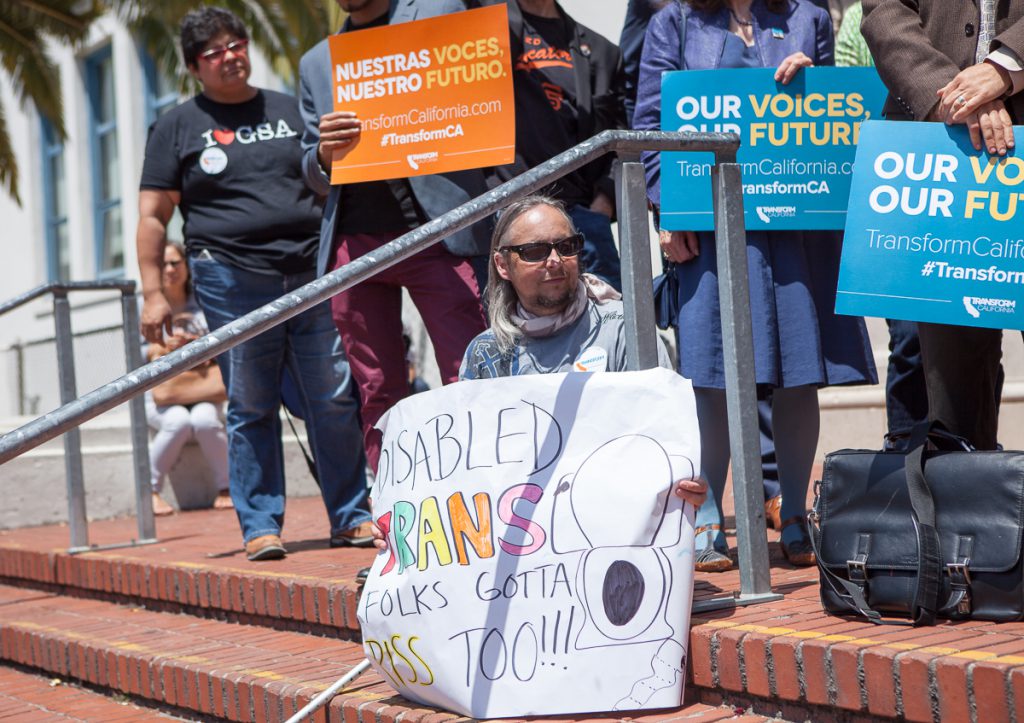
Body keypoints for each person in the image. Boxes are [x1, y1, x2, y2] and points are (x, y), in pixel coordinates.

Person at [634, 0, 878, 571]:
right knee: (710, 371)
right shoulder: (674, 22)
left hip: (798, 227)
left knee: (799, 370)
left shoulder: (809, 18)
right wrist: (667, 210)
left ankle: (794, 513)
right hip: (713, 227)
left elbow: (840, 119)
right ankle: (704, 520)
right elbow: (649, 124)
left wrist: (815, 85)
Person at [137, 7, 371, 562]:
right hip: (229, 275)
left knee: (334, 397)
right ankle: (261, 524)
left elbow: (331, 174)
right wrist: (152, 291)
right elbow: (153, 215)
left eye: (235, 44)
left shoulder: (290, 109)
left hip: (312, 268)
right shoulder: (178, 125)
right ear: (195, 66)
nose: (229, 56)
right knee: (250, 401)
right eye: (214, 52)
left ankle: (352, 517)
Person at [371, 194, 708, 548]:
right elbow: (464, 473)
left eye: (566, 246)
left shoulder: (627, 330)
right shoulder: (485, 354)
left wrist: (684, 478)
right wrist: (401, 518)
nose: (554, 261)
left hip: (612, 535)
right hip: (522, 550)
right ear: (503, 265)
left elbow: (661, 444)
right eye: (534, 251)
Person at [298, 0, 490, 476]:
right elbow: (311, 170)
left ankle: (481, 485)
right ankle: (392, 499)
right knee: (376, 386)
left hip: (436, 231)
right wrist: (323, 153)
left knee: (467, 371)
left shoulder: (439, 13)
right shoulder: (317, 61)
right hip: (353, 241)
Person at [862, 0, 1024, 451]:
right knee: (951, 392)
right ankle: (965, 518)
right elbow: (884, 12)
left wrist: (1008, 66)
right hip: (942, 154)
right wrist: (952, 95)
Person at [478, 0, 627, 291]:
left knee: (609, 328)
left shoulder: (601, 51)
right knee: (510, 333)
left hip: (579, 224)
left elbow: (621, 140)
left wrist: (603, 205)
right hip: (502, 221)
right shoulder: (482, 30)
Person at [145, 241, 231, 517]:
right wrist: (162, 348)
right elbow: (135, 354)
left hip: (203, 386)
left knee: (205, 420)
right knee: (177, 422)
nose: (169, 269)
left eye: (175, 262)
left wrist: (198, 345)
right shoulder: (144, 307)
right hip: (164, 391)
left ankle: (226, 489)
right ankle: (150, 491)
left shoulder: (204, 301)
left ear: (186, 266)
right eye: (163, 264)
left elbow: (225, 342)